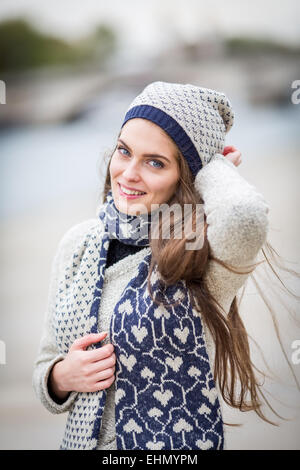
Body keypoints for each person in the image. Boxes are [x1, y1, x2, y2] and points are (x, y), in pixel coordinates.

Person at [32, 81, 293, 450]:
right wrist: (63, 376)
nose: (128, 174)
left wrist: (213, 166)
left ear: (186, 176)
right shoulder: (78, 243)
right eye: (124, 151)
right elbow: (45, 367)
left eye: (156, 162)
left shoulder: (202, 251)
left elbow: (244, 217)